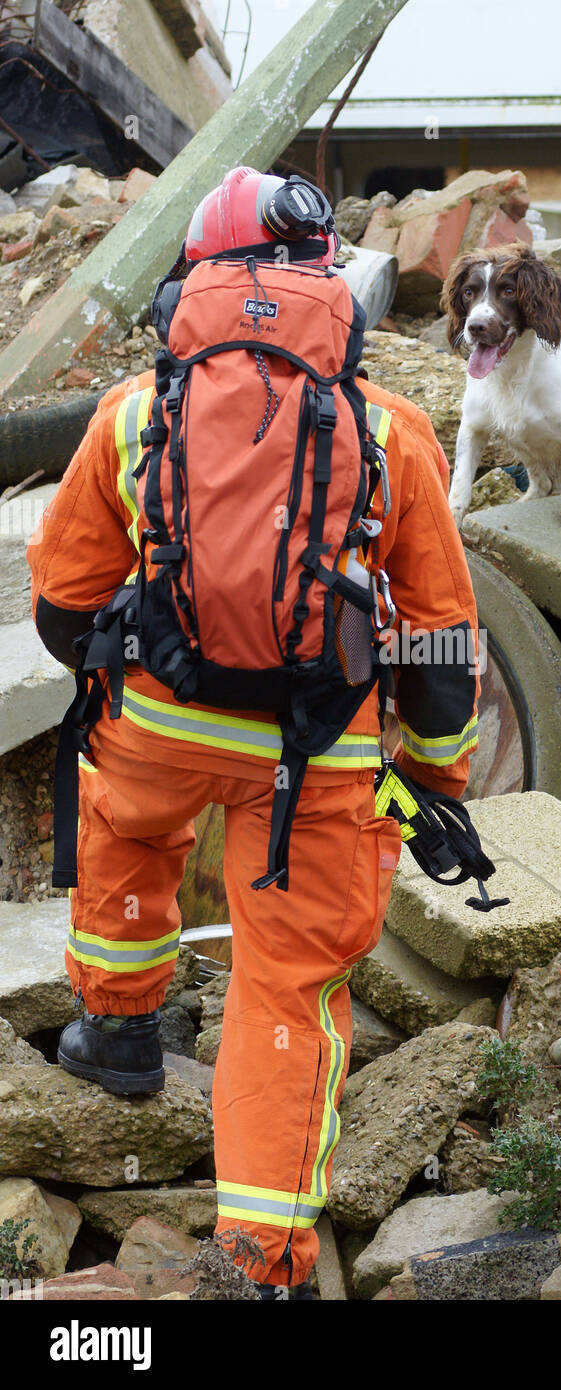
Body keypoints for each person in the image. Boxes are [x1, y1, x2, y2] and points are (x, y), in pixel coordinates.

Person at [27, 167, 479, 1297]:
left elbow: (63, 601)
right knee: (286, 989)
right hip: (318, 756)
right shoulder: (392, 431)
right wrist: (431, 777)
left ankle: (120, 1031)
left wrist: (123, 678)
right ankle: (263, 1254)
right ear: (335, 287)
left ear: (195, 276)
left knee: (126, 825)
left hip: (158, 722)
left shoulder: (135, 411)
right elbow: (437, 644)